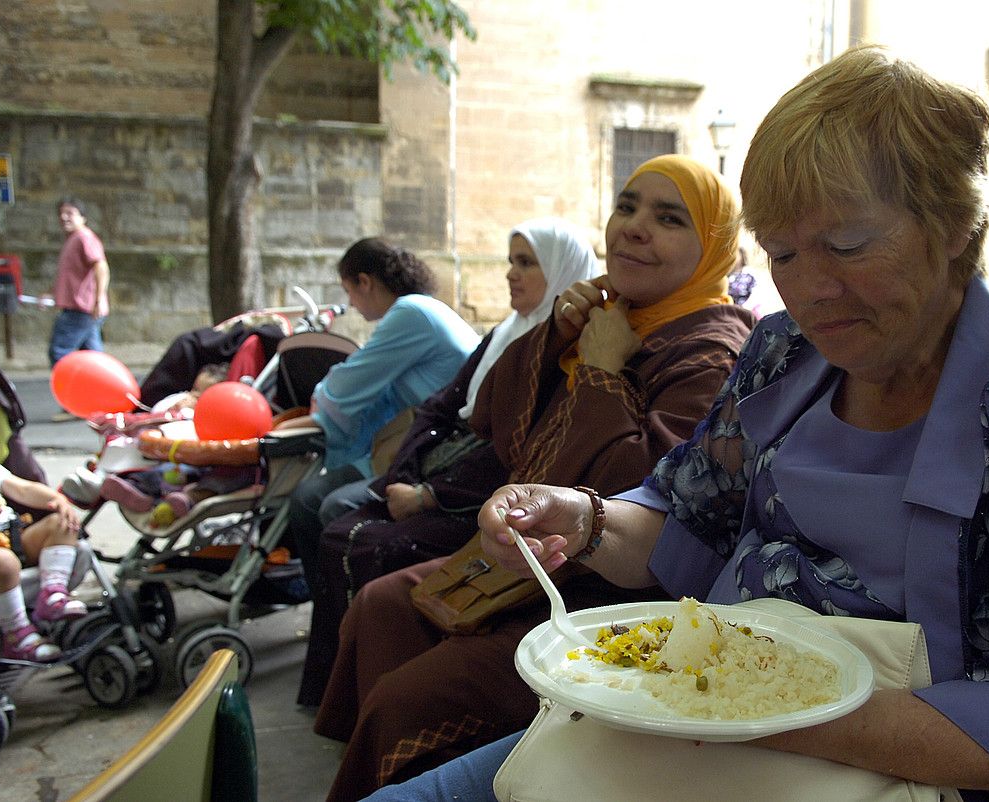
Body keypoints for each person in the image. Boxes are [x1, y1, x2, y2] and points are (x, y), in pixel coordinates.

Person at [383, 47, 989, 802]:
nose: (811, 290)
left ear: (955, 224)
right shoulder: (781, 353)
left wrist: (757, 710)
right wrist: (582, 521)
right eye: (782, 254)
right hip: (696, 720)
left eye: (846, 244)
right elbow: (685, 522)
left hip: (889, 767)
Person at [313, 154, 757, 800]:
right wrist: (557, 334)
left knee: (406, 704)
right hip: (536, 560)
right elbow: (498, 420)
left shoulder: (710, 350)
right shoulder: (610, 317)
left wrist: (603, 373)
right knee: (381, 605)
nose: (633, 228)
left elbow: (643, 496)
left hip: (609, 593)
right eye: (627, 207)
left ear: (712, 246)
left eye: (668, 219)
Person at [292, 217, 598, 706]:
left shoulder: (566, 352)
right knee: (334, 520)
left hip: (475, 494)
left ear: (563, 270)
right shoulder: (508, 331)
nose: (510, 275)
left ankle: (359, 696)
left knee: (359, 539)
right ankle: (336, 688)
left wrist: (428, 495)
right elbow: (441, 405)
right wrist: (405, 474)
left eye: (527, 263)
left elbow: (513, 452)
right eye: (510, 262)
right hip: (439, 465)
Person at [277, 238, 480, 584]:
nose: (351, 304)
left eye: (349, 291)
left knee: (309, 500)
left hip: (440, 453)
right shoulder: (423, 309)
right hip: (428, 442)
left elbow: (351, 382)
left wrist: (318, 399)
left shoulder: (410, 312)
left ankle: (329, 608)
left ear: (365, 282)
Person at [0, 429, 86, 662]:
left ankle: (53, 594)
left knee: (62, 523)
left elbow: (22, 489)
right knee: (3, 561)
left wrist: (56, 499)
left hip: (9, 536)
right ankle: (15, 636)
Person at [48, 197, 110, 420]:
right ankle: (100, 402)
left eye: (71, 213)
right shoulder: (74, 239)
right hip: (81, 308)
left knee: (60, 353)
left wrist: (99, 297)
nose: (64, 217)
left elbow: (101, 266)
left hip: (81, 309)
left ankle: (74, 404)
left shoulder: (84, 237)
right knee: (93, 357)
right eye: (62, 213)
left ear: (82, 217)